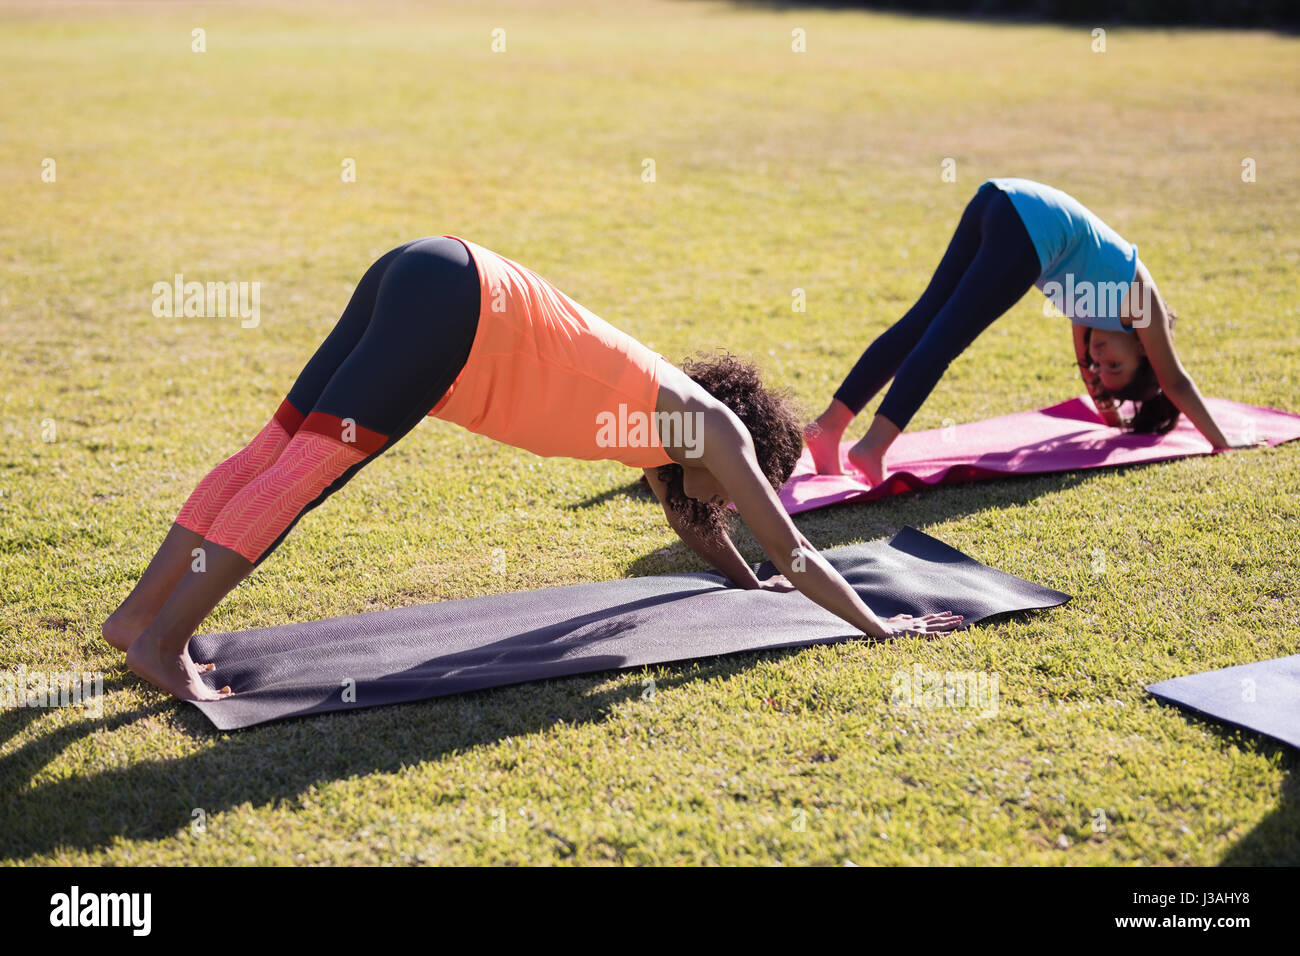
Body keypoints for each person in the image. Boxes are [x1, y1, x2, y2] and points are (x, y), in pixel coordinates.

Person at [104, 236, 961, 701]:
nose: (732, 506)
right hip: (462, 315)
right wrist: (879, 627)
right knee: (303, 472)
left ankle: (141, 615)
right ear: (752, 460)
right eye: (744, 497)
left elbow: (695, 526)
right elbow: (798, 554)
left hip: (426, 268)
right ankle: (166, 643)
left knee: (273, 450)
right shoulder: (719, 435)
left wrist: (744, 584)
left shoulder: (669, 433)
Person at [805, 178, 1251, 481]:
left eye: (1101, 366)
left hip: (999, 198)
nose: (1096, 360)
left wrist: (1110, 413)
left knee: (922, 322)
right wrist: (1222, 443)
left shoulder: (1098, 308)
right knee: (943, 338)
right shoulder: (1141, 302)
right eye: (1112, 361)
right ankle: (874, 448)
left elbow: (1086, 368)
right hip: (1027, 225)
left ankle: (827, 430)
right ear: (1143, 348)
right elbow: (1174, 380)